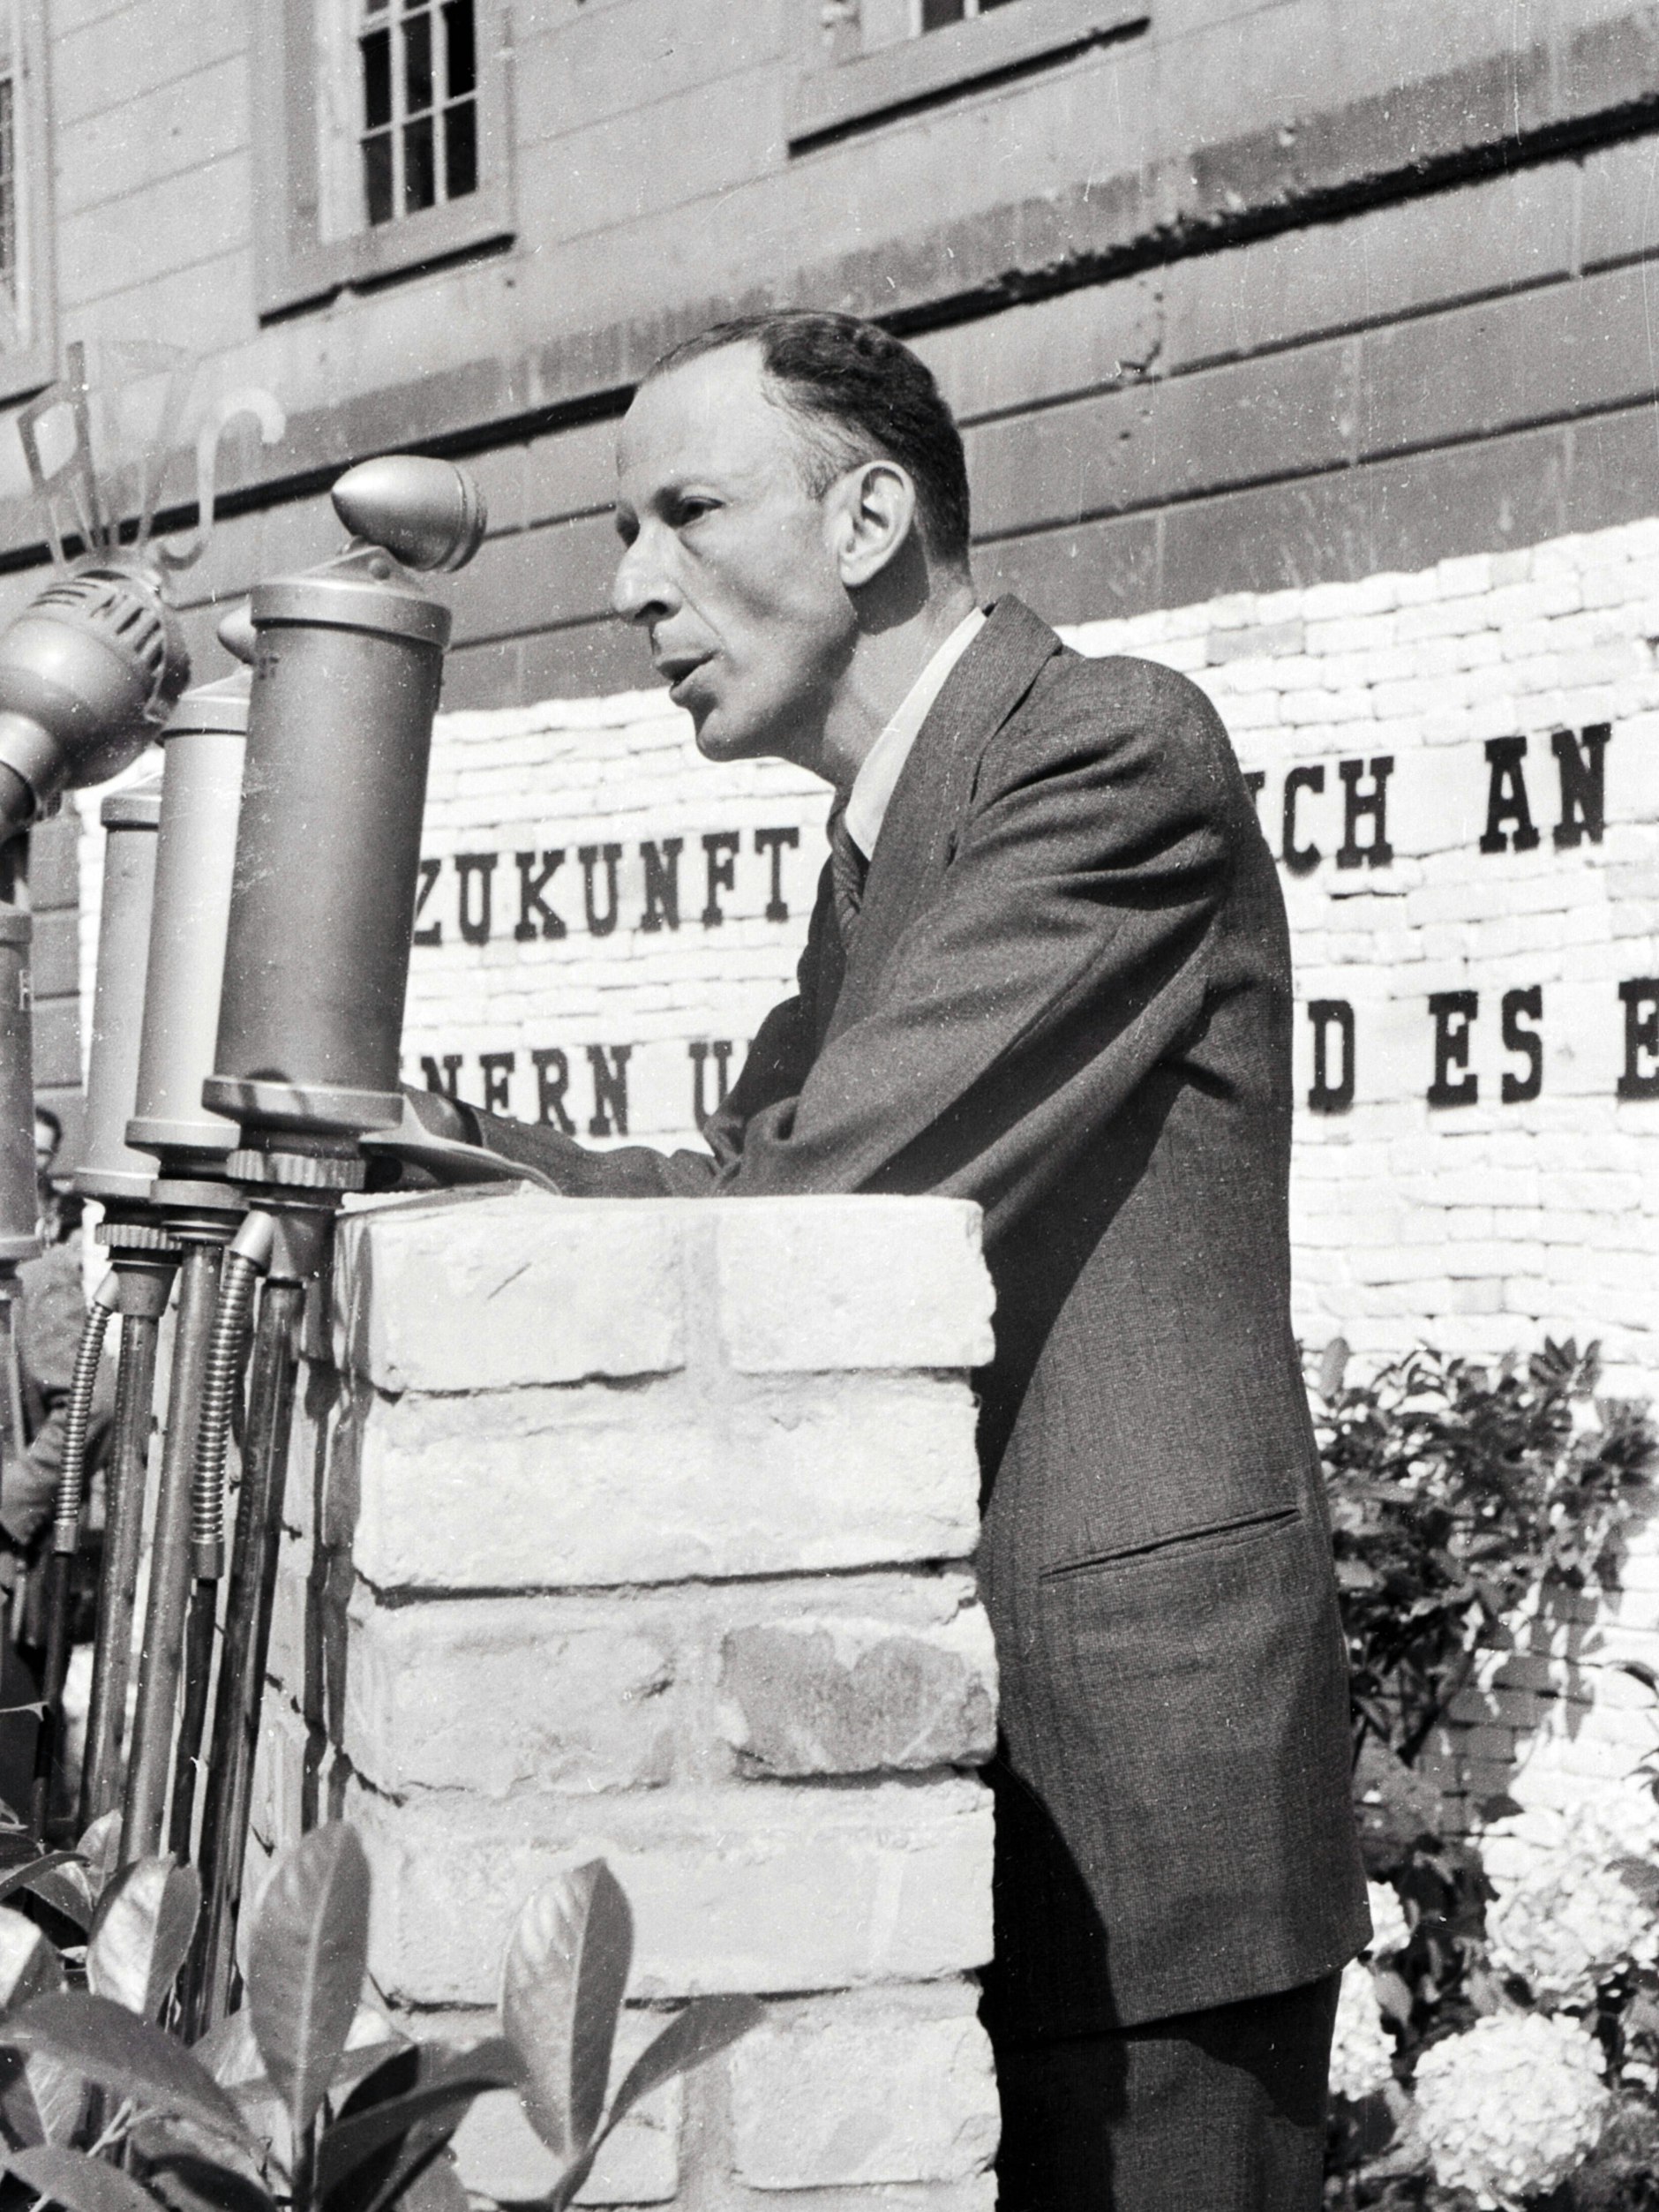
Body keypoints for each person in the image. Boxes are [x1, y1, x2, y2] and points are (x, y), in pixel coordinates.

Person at [418, 311, 1369, 2208]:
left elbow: (819, 1203)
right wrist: (425, 1144)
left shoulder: (1104, 749)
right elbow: (736, 1170)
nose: (632, 586)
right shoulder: (875, 854)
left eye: (686, 510)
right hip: (962, 1798)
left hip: (1143, 1822)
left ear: (868, 518)